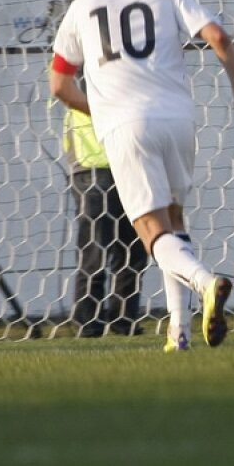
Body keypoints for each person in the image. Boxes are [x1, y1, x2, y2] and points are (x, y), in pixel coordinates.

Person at [50, 0, 234, 352]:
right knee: (173, 222)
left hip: (127, 125)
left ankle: (205, 282)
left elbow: (59, 84)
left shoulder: (83, 5)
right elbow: (218, 36)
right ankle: (178, 332)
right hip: (178, 119)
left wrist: (98, 108)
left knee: (150, 230)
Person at [63, 105, 149, 338]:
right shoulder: (79, 68)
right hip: (91, 163)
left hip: (131, 160)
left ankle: (124, 322)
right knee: (95, 252)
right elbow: (64, 87)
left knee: (134, 251)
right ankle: (88, 325)